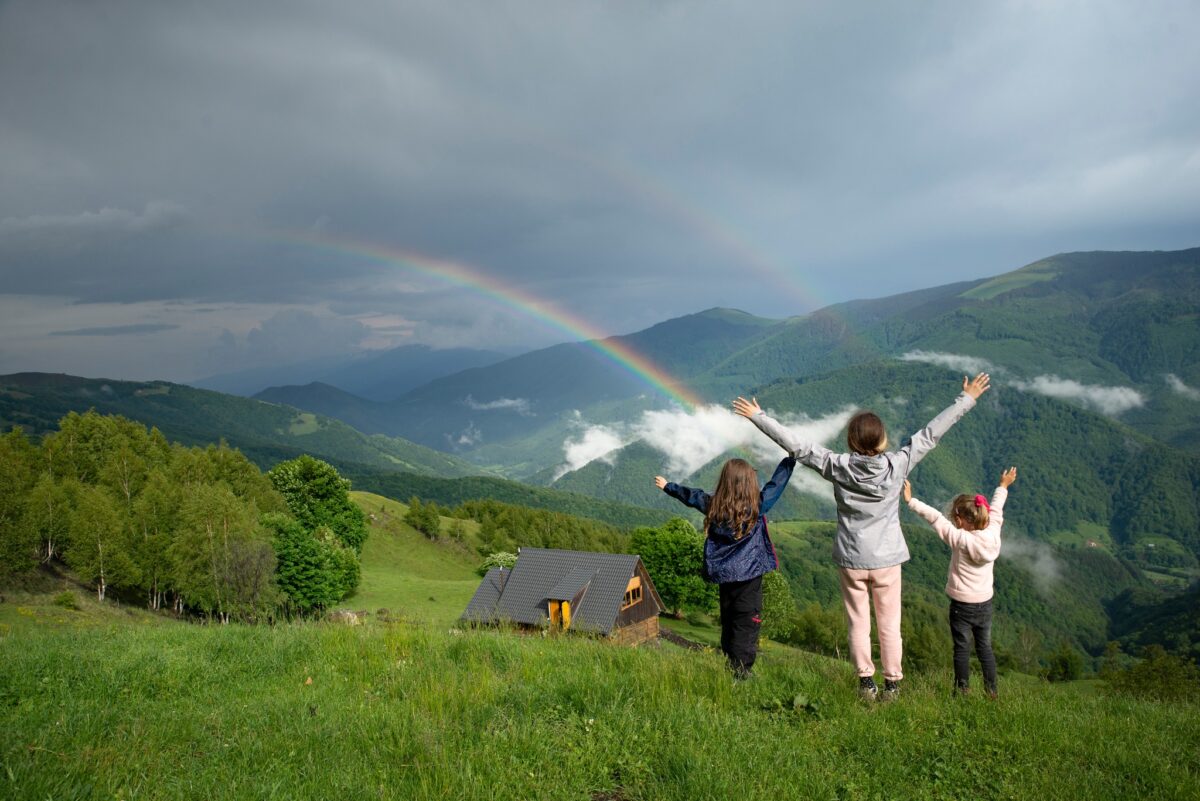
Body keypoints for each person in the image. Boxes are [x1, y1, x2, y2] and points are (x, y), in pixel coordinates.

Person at [733, 373, 991, 701]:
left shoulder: (837, 465)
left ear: (852, 441)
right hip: (887, 561)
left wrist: (758, 417)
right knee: (889, 624)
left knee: (858, 622)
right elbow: (930, 434)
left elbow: (796, 445)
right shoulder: (898, 464)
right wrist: (966, 399)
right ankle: (892, 685)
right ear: (882, 440)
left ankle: (865, 683)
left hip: (852, 560)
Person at [655, 455, 795, 678]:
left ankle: (731, 663)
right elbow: (775, 485)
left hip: (725, 577)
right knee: (747, 622)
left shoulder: (713, 506)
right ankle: (741, 672)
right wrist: (790, 461)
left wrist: (668, 486)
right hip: (749, 578)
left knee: (729, 619)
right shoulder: (757, 507)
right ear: (750, 485)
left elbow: (691, 496)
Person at [904, 467, 1016, 699]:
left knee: (962, 649)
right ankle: (992, 692)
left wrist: (910, 500)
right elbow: (996, 509)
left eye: (955, 518)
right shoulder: (994, 532)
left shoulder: (960, 539)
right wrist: (1003, 486)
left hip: (961, 605)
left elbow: (935, 518)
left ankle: (962, 690)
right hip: (985, 603)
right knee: (985, 649)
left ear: (960, 520)